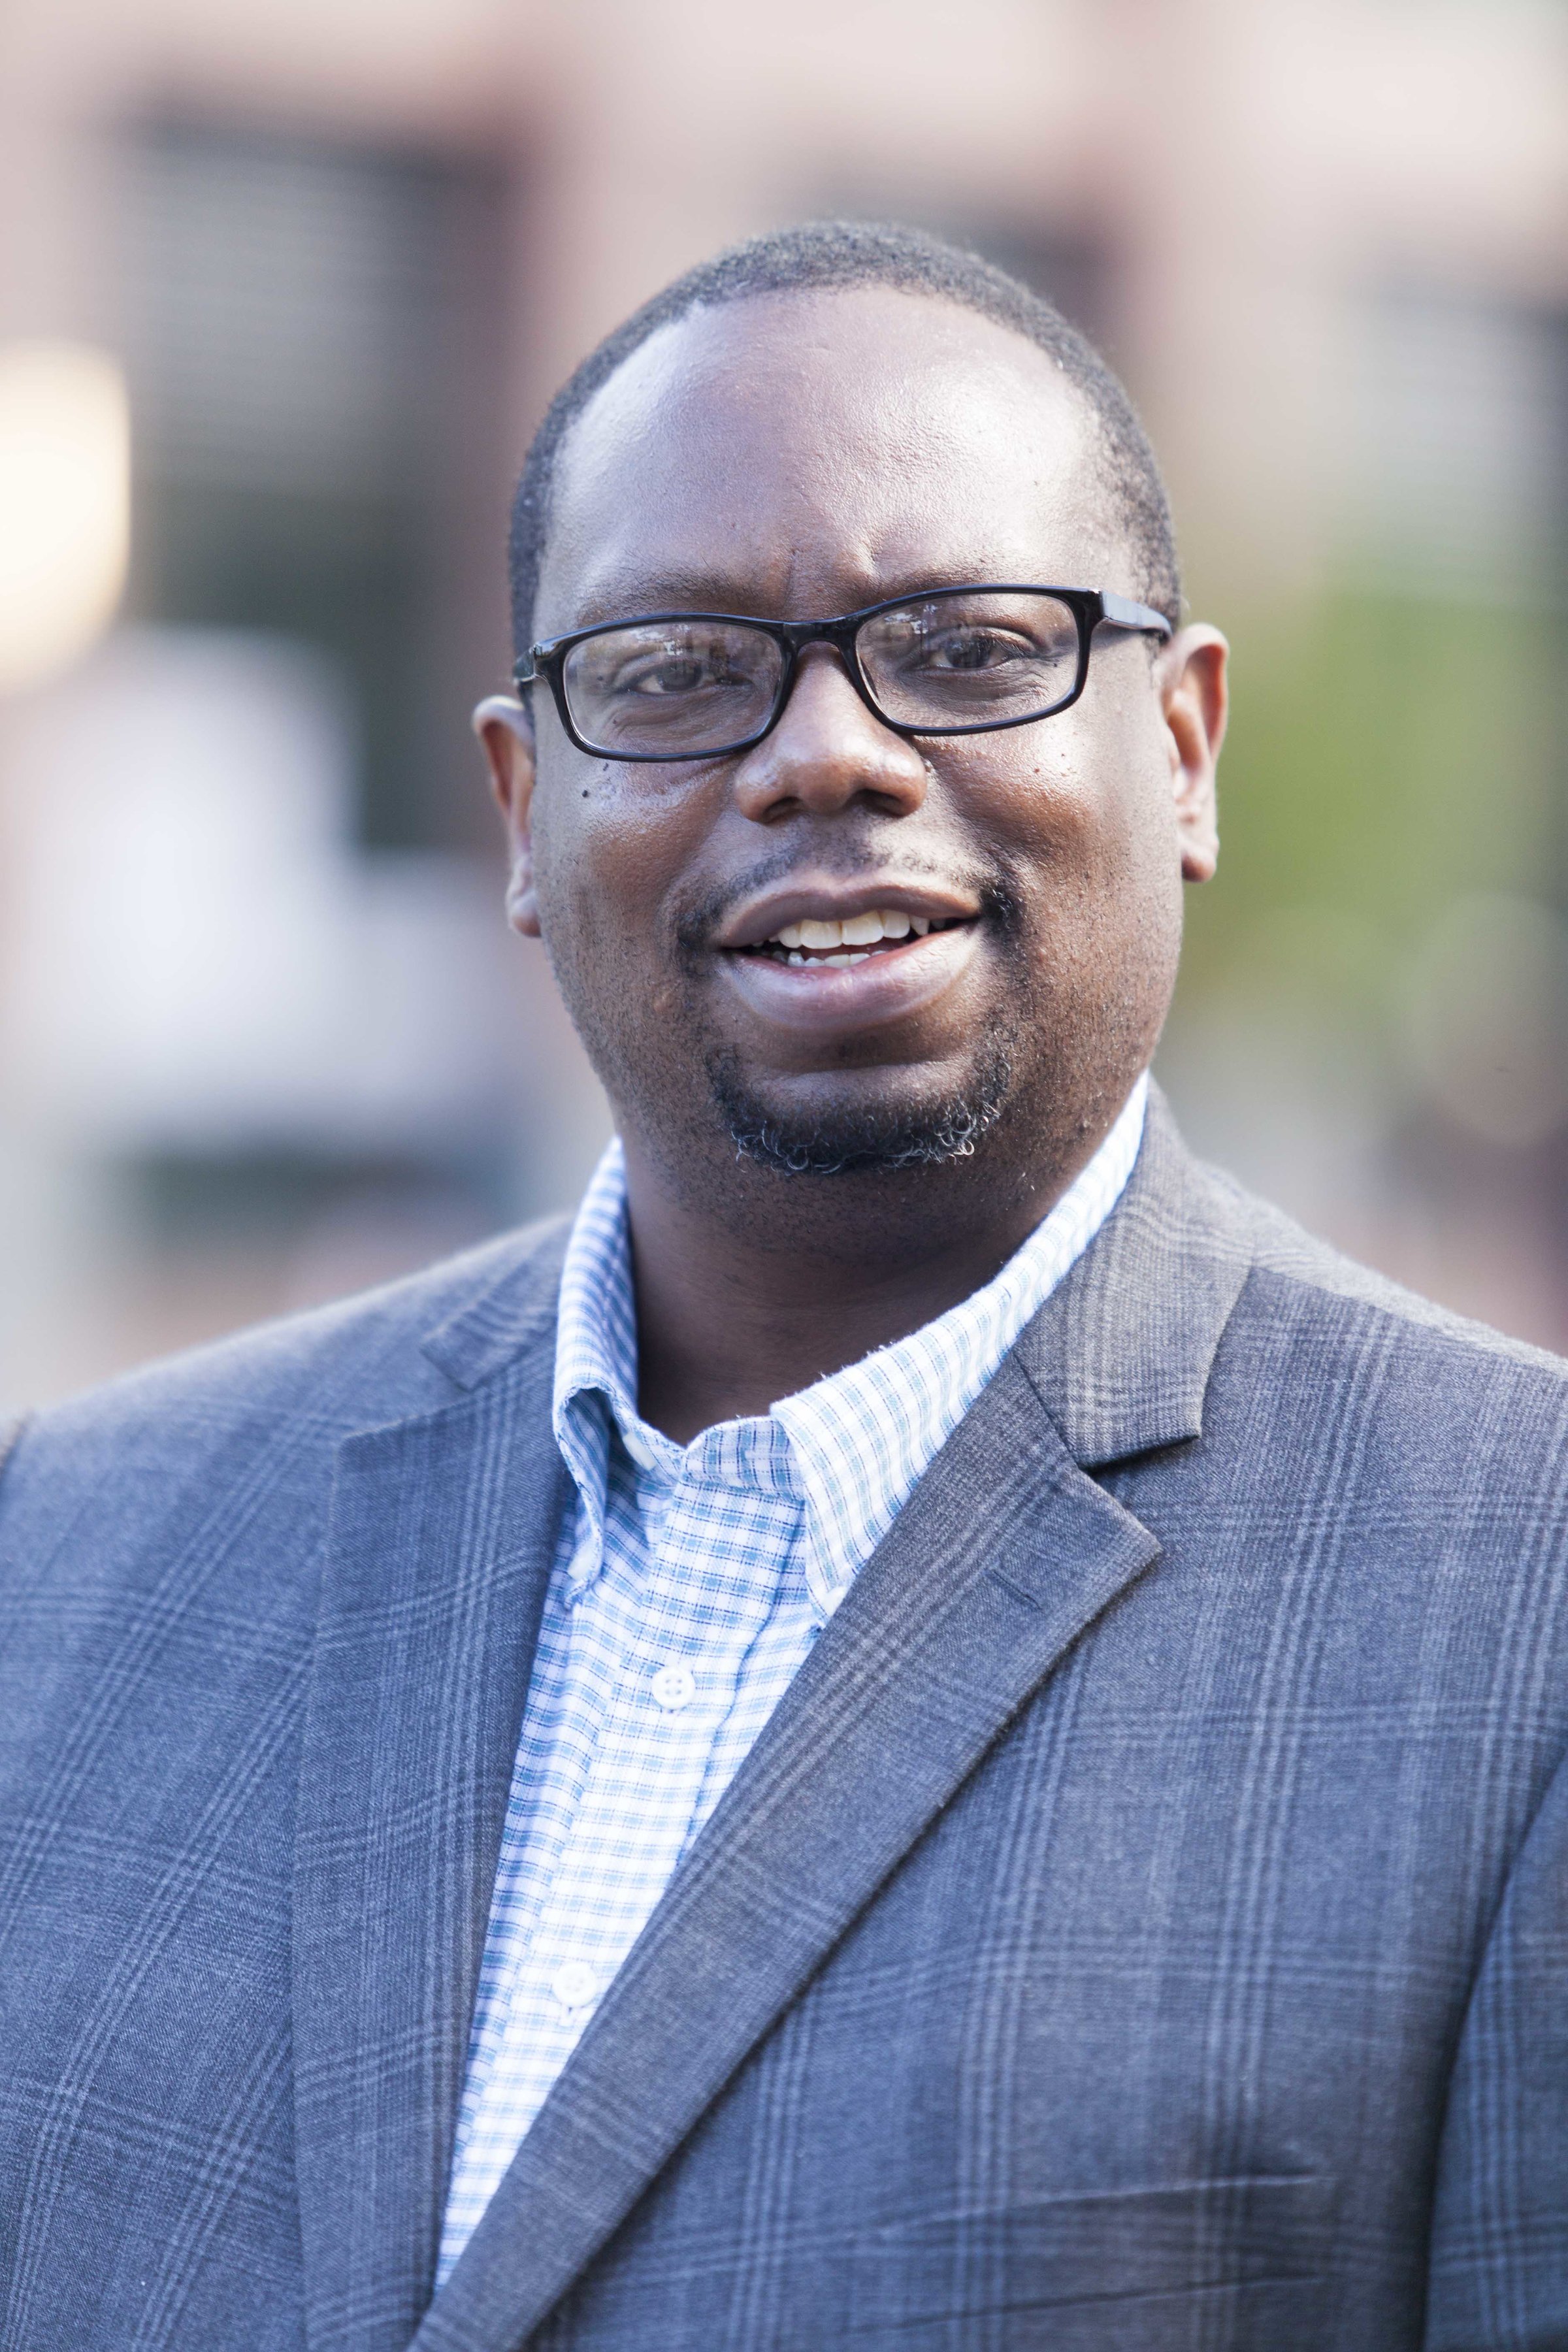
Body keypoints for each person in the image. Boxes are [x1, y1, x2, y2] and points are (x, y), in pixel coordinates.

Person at [0, 222, 1563, 2352]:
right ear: (524, 808)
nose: (827, 754)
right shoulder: (70, 1548)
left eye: (971, 647)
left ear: (1186, 749)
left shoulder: (1523, 1603)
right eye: (673, 672)